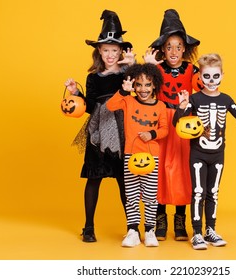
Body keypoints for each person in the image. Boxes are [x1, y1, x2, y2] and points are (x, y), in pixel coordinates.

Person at [64, 10, 135, 242]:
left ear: (121, 51)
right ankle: (89, 226)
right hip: (98, 132)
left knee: (125, 180)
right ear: (99, 52)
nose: (111, 55)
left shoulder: (128, 73)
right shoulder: (93, 77)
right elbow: (91, 106)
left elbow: (145, 90)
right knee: (94, 178)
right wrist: (77, 95)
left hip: (123, 131)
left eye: (115, 50)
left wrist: (134, 66)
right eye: (106, 50)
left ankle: (132, 227)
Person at [173, 53, 236, 250]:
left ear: (222, 76)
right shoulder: (194, 99)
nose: (211, 81)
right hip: (198, 153)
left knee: (213, 193)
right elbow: (178, 124)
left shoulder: (226, 100)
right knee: (198, 192)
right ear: (200, 77)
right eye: (207, 77)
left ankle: (210, 230)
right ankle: (196, 233)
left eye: (215, 76)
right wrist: (182, 107)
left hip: (218, 153)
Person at [143, 9, 201, 241]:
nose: (174, 51)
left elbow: (206, 89)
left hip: (183, 123)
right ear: (162, 49)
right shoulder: (155, 70)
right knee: (158, 171)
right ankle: (159, 218)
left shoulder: (192, 70)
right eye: (169, 47)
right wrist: (147, 65)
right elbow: (142, 86)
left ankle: (180, 219)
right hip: (159, 122)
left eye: (178, 46)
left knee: (181, 172)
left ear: (184, 48)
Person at [106, 63, 168, 247]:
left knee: (150, 195)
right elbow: (110, 106)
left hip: (151, 156)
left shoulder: (161, 106)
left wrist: (152, 134)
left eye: (147, 85)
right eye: (139, 85)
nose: (143, 89)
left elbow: (164, 129)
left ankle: (150, 230)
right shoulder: (128, 101)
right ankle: (132, 230)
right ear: (134, 85)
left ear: (154, 85)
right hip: (130, 155)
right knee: (131, 194)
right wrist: (123, 92)